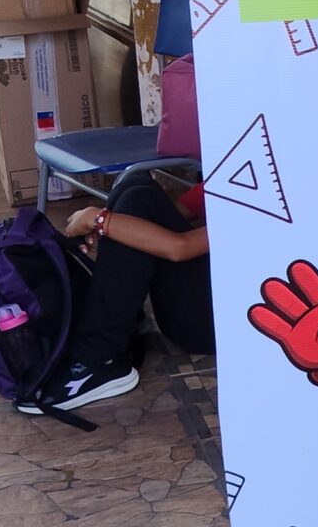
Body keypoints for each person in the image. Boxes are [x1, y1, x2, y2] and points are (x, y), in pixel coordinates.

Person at [22, 169, 213, 414]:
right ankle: (116, 324)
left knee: (137, 203)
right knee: (137, 187)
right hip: (209, 299)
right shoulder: (246, 168)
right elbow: (175, 211)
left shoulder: (264, 188)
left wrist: (99, 220)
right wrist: (114, 225)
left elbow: (181, 248)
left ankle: (98, 359)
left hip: (221, 328)